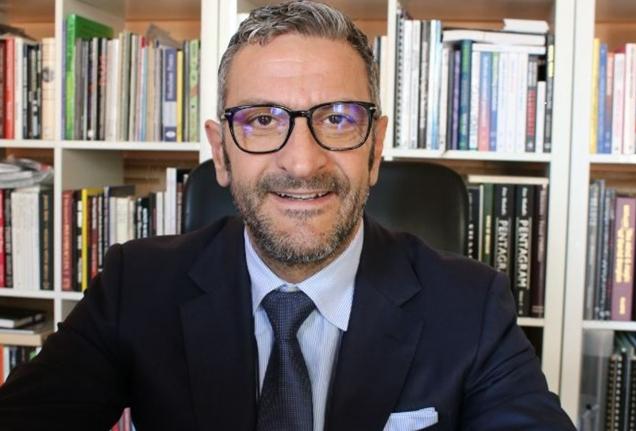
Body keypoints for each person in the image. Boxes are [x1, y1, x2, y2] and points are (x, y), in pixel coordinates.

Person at [0, 1, 576, 430]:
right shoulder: (136, 286)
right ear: (220, 152)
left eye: (339, 118)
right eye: (261, 120)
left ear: (375, 148)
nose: (302, 162)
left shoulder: (471, 306)